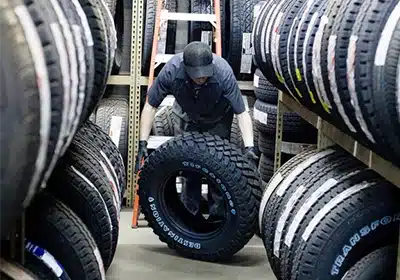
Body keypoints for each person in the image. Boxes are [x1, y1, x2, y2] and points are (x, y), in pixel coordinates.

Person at [135, 41, 258, 221]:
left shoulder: (223, 73)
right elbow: (150, 106)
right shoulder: (171, 70)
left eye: (205, 75)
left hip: (218, 119)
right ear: (186, 68)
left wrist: (250, 147)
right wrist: (142, 142)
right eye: (196, 75)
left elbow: (241, 113)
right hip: (186, 116)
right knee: (188, 165)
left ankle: (217, 216)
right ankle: (190, 217)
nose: (201, 78)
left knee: (219, 165)